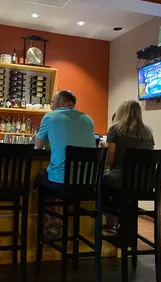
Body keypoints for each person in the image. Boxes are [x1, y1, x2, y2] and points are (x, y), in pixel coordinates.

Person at [34, 90, 95, 238]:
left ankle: (53, 221)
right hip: (87, 182)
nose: (52, 106)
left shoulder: (50, 117)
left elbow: (38, 144)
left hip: (61, 182)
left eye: (53, 102)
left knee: (40, 182)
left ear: (61, 102)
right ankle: (58, 222)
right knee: (65, 186)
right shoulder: (88, 119)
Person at [102, 100, 154, 233]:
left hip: (123, 179)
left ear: (121, 113)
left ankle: (111, 218)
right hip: (145, 182)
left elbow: (110, 158)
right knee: (121, 185)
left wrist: (111, 167)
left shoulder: (115, 129)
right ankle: (124, 222)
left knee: (102, 179)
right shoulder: (148, 132)